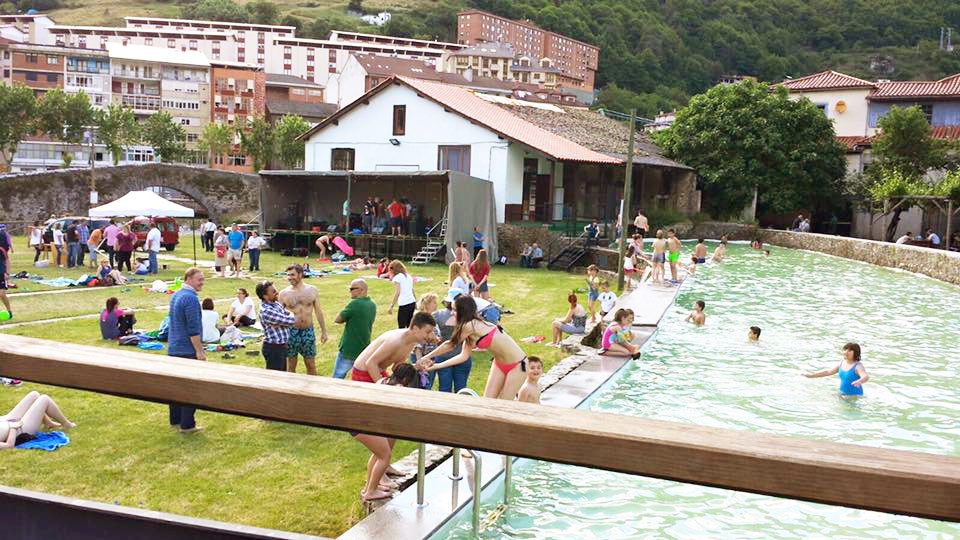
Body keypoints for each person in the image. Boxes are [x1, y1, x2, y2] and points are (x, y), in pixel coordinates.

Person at [350, 313, 437, 501]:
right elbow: (370, 362)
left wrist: (416, 367)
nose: (429, 336)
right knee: (379, 426)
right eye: (427, 331)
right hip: (365, 374)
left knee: (392, 425)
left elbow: (398, 368)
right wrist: (384, 389)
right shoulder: (395, 340)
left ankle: (385, 465)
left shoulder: (411, 342)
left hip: (380, 376)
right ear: (415, 328)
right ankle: (380, 469)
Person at [418, 295, 528, 400]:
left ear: (463, 311)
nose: (452, 313)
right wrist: (436, 366)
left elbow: (450, 345)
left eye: (454, 310)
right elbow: (463, 356)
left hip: (518, 365)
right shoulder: (470, 330)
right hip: (499, 364)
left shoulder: (470, 325)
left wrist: (426, 357)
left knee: (504, 404)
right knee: (487, 402)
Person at [167, 267, 207, 433]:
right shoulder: (190, 299)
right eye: (199, 279)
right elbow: (193, 328)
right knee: (191, 388)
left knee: (175, 386)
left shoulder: (176, 295)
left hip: (174, 347)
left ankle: (175, 419)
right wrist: (199, 351)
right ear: (189, 279)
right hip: (186, 349)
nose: (202, 282)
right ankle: (187, 424)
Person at [279, 264, 328, 375]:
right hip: (291, 332)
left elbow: (318, 312)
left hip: (307, 331)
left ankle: (312, 390)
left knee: (311, 364)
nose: (290, 277)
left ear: (300, 274)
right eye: (288, 275)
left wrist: (324, 331)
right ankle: (290, 390)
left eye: (293, 275)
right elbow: (279, 316)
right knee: (291, 365)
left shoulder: (312, 290)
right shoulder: (283, 294)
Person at [0, 391, 76, 449]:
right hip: (20, 430)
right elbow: (9, 446)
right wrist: (13, 427)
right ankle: (66, 424)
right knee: (44, 399)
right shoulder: (14, 428)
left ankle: (48, 423)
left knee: (34, 394)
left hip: (6, 420)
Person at [333, 279, 376, 379]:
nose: (350, 291)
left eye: (352, 289)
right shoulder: (372, 304)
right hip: (364, 347)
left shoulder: (354, 304)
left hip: (349, 348)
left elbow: (338, 319)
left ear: (361, 290)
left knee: (337, 378)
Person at [432, 289, 473, 393]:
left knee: (444, 389)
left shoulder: (437, 315)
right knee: (461, 390)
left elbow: (435, 335)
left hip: (443, 356)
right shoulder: (469, 321)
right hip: (462, 357)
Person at [256, 280, 296, 371]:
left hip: (282, 347)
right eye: (273, 292)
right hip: (273, 349)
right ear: (265, 296)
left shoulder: (276, 304)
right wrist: (286, 319)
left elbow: (288, 314)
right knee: (275, 379)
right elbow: (291, 320)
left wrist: (283, 321)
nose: (277, 293)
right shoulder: (266, 310)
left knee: (282, 376)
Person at [804, 342, 870, 397]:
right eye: (845, 349)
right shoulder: (841, 363)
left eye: (850, 350)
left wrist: (860, 381)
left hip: (854, 396)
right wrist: (811, 375)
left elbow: (865, 376)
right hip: (843, 393)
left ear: (855, 353)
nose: (846, 352)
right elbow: (828, 372)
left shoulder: (858, 366)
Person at [411, 293, 442, 389]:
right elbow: (417, 344)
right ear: (427, 304)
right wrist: (420, 360)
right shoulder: (421, 319)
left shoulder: (432, 317)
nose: (436, 304)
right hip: (422, 357)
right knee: (421, 384)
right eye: (434, 302)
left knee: (428, 383)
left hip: (430, 356)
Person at [387, 260, 416, 329]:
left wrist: (392, 305)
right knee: (409, 325)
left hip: (404, 304)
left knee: (401, 326)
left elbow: (398, 292)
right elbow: (412, 290)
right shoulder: (408, 276)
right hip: (412, 302)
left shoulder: (397, 278)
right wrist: (416, 302)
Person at [0, 229, 11, 318]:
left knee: (2, 294)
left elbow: (7, 260)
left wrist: (7, 272)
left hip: (1, 273)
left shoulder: (2, 250)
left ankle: (9, 310)